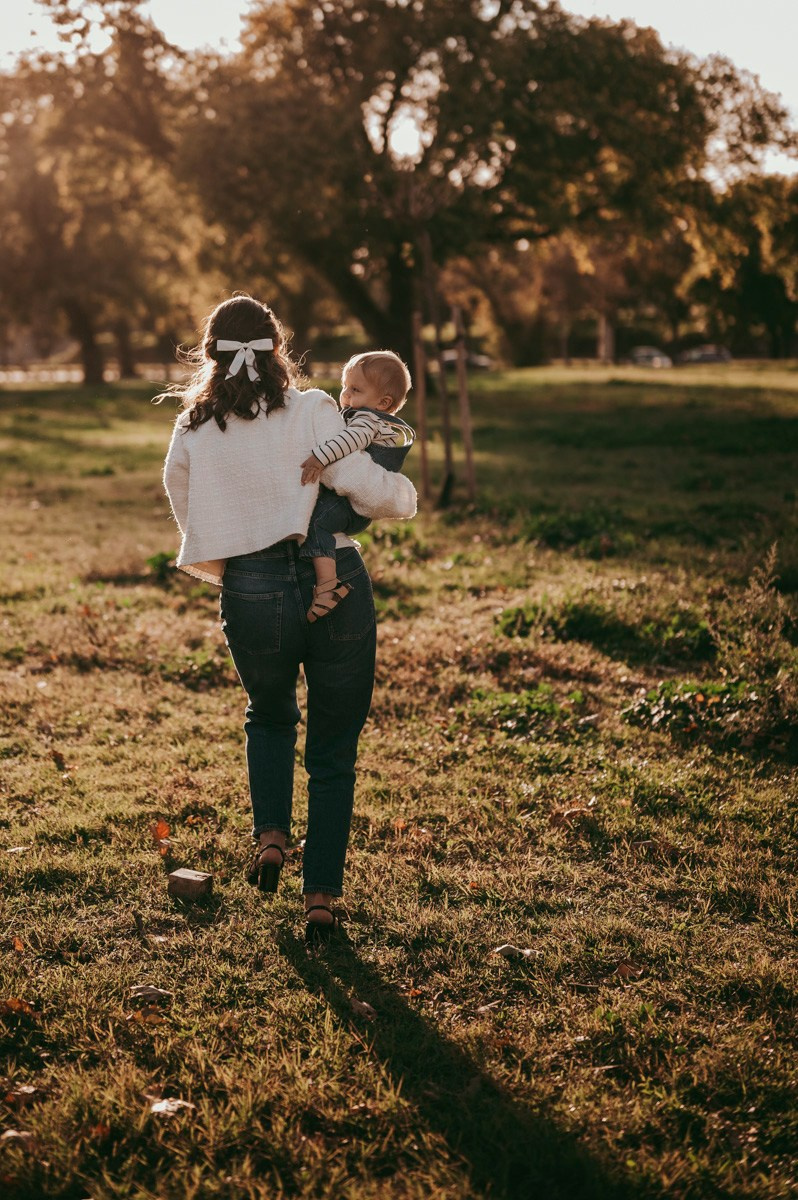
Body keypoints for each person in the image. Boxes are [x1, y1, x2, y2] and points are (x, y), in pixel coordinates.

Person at [161, 295, 417, 939]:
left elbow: (181, 495)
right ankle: (321, 896)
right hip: (337, 582)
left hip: (251, 586)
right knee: (334, 747)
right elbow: (367, 489)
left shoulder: (194, 425)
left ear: (211, 355)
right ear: (276, 350)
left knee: (270, 715)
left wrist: (234, 555)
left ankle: (272, 837)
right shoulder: (314, 409)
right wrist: (404, 494)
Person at [298, 351, 415, 623]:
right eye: (345, 386)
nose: (345, 394)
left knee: (315, 524)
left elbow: (351, 440)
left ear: (383, 402)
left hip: (351, 505)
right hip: (350, 503)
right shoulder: (368, 416)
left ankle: (328, 586)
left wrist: (320, 457)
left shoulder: (368, 420)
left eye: (355, 389)